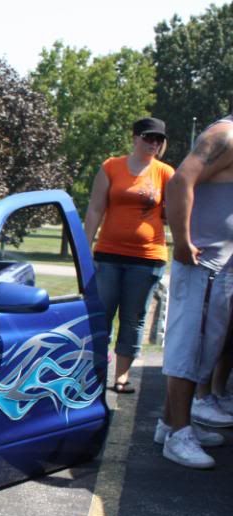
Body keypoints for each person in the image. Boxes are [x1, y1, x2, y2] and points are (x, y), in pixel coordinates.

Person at [160, 113, 233, 469]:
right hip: (202, 262)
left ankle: (169, 422)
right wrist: (182, 241)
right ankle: (179, 434)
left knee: (205, 348)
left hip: (219, 266)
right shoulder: (225, 136)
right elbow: (179, 182)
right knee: (189, 347)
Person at [84, 117, 175, 394]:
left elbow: (172, 213)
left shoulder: (165, 173)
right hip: (109, 255)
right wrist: (84, 247)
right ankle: (94, 374)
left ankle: (121, 377)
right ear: (134, 137)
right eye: (149, 137)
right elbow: (95, 209)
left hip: (147, 258)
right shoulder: (111, 167)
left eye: (159, 139)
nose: (154, 144)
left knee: (133, 318)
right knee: (101, 315)